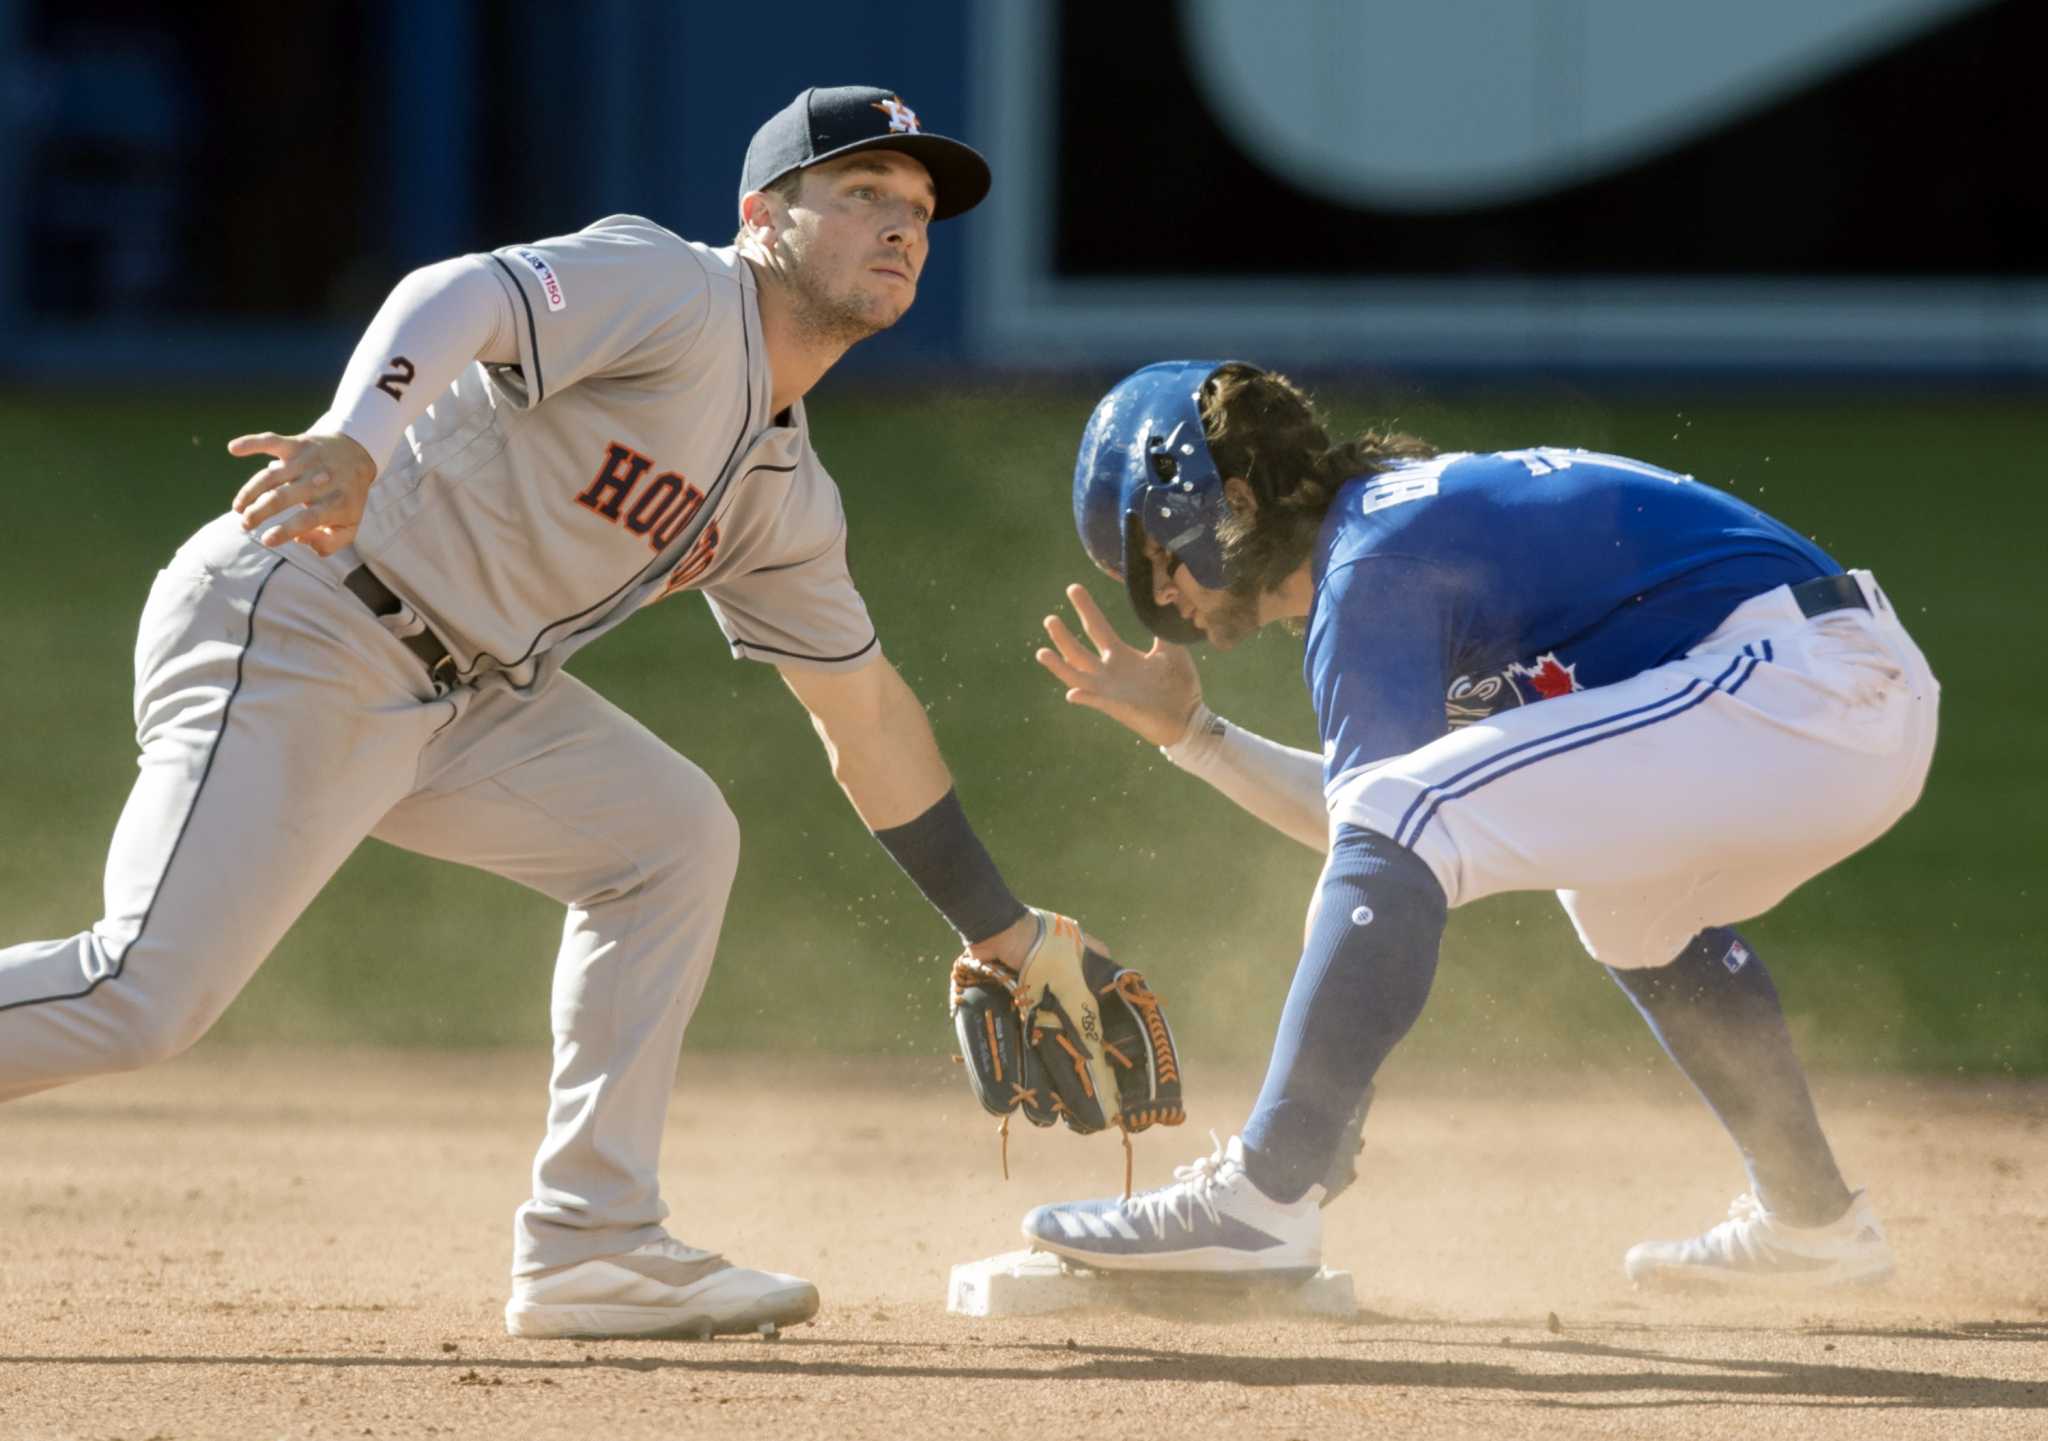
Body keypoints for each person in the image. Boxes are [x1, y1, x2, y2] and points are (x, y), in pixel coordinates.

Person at [0, 85, 1069, 1340]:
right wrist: (354, 435)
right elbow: (462, 294)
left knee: (668, 837)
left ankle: (592, 1243)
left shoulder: (781, 488)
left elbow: (867, 721)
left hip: (461, 702)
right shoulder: (677, 290)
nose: (901, 227)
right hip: (306, 617)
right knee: (143, 995)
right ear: (761, 218)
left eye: (919, 210)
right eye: (862, 195)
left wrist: (1002, 931)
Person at [1019, 360, 1938, 1287]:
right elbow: (1385, 841)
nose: (1165, 595)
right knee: (1624, 909)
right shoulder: (1381, 538)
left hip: (1803, 685)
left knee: (1405, 817)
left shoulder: (1372, 564)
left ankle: (1260, 1198)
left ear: (1230, 505)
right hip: (1826, 695)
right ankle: (1813, 1219)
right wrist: (1197, 737)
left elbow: (1388, 833)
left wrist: (1318, 1127)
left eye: (1155, 558)